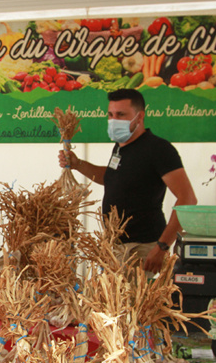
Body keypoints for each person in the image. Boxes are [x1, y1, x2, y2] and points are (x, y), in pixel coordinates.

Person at [58, 88, 197, 272]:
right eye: (110, 114)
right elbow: (112, 178)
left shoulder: (158, 149)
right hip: (117, 246)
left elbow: (187, 199)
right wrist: (78, 164)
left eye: (121, 115)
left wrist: (162, 247)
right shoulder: (121, 147)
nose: (114, 120)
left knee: (132, 301)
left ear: (139, 117)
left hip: (141, 248)